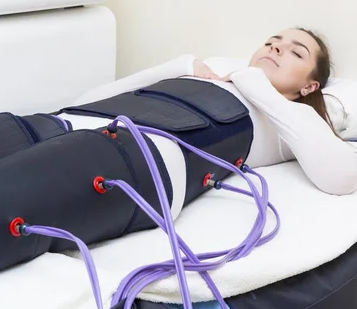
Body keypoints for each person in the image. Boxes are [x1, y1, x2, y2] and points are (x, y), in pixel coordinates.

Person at [59, 27, 357, 211]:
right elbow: (86, 104)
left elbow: (343, 177)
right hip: (71, 126)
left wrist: (252, 82)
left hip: (124, 154)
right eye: (271, 41)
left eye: (296, 52)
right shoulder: (210, 74)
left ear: (309, 87)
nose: (275, 47)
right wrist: (180, 67)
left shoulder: (290, 118)